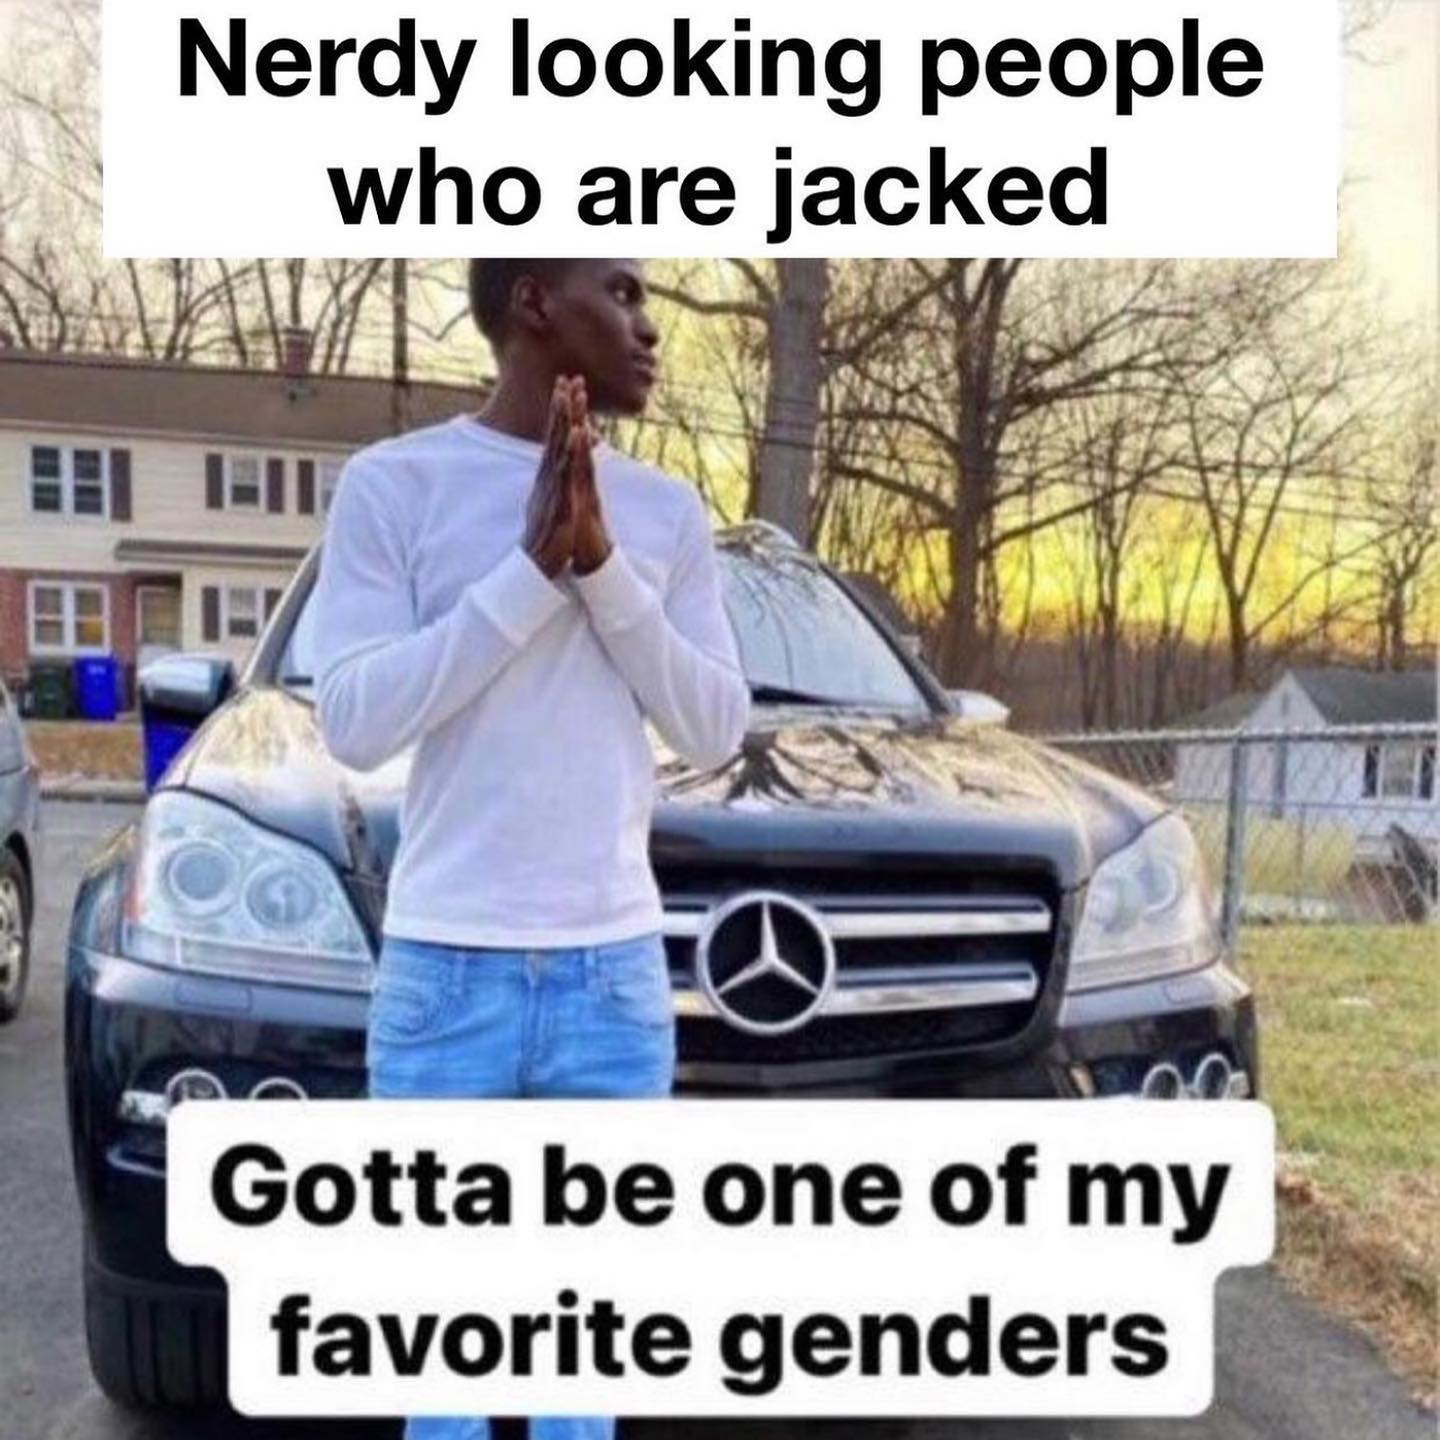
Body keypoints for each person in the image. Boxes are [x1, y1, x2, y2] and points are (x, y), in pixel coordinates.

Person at [307, 258, 751, 1440]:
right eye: (624, 292)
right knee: (447, 1388)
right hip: (445, 976)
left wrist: (602, 568)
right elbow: (354, 721)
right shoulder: (395, 486)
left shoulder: (665, 513)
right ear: (536, 304)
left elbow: (716, 726)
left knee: (576, 1385)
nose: (651, 327)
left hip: (611, 983)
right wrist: (528, 571)